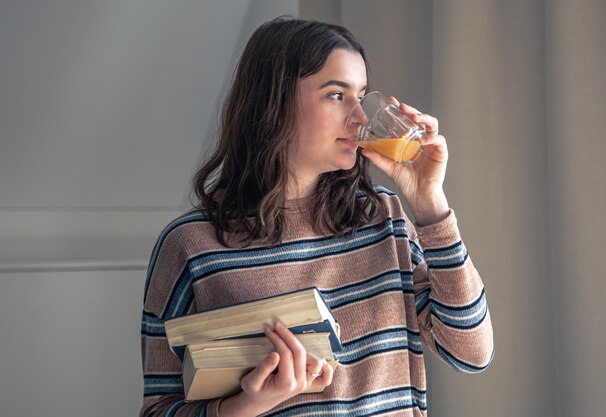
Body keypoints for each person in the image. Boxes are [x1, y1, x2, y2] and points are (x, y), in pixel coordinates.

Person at [140, 16, 494, 417]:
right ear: (272, 102)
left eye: (361, 95)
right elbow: (159, 409)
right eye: (335, 95)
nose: (360, 118)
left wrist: (430, 203)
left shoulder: (385, 218)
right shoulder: (190, 245)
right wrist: (246, 405)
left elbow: (471, 353)